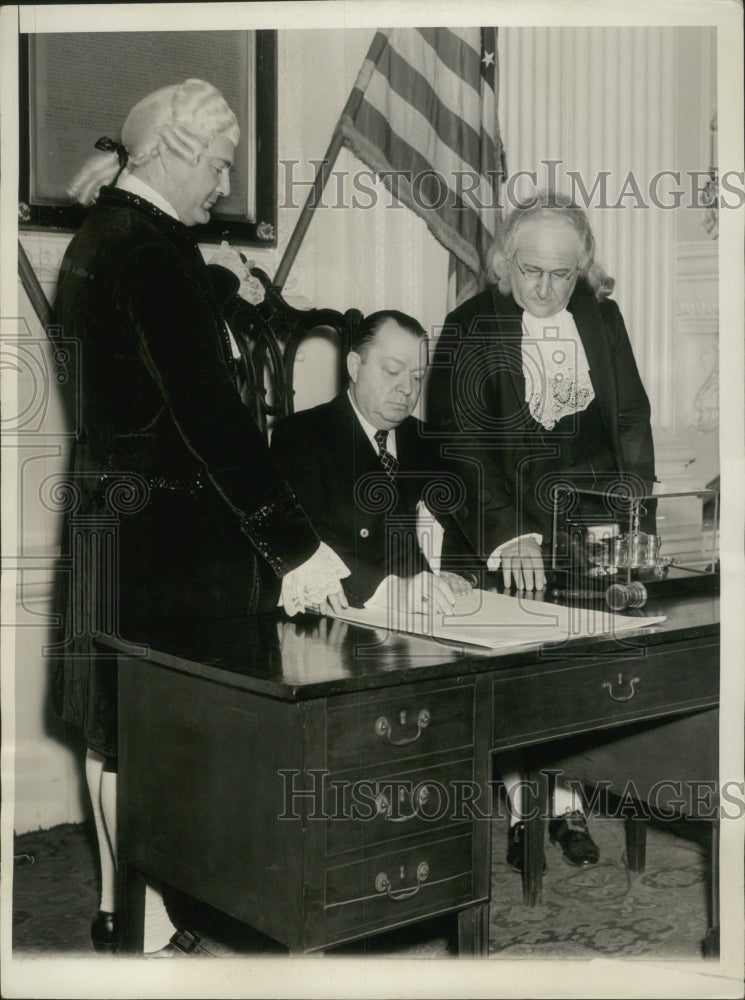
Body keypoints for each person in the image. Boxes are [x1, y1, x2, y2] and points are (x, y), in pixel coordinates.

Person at [51, 79, 349, 956]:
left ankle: (127, 920)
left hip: (120, 523)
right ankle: (149, 940)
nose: (224, 185)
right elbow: (207, 417)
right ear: (176, 154)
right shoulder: (148, 252)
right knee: (152, 743)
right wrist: (295, 545)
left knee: (118, 738)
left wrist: (223, 291)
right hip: (165, 543)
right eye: (218, 164)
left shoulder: (115, 237)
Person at [427, 191, 656, 872]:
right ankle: (530, 808)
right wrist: (509, 537)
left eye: (561, 275)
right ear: (504, 261)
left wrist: (633, 509)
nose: (546, 289)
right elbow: (460, 444)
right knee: (521, 680)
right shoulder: (468, 325)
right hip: (498, 520)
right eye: (531, 272)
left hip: (586, 524)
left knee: (583, 675)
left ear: (580, 268)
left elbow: (628, 419)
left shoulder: (600, 316)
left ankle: (565, 804)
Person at [271, 310, 474, 615]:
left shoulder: (427, 441)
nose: (408, 389)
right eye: (393, 371)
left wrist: (456, 572)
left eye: (417, 377)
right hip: (347, 619)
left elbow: (464, 526)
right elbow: (310, 545)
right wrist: (394, 589)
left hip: (434, 612)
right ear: (354, 366)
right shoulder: (303, 436)